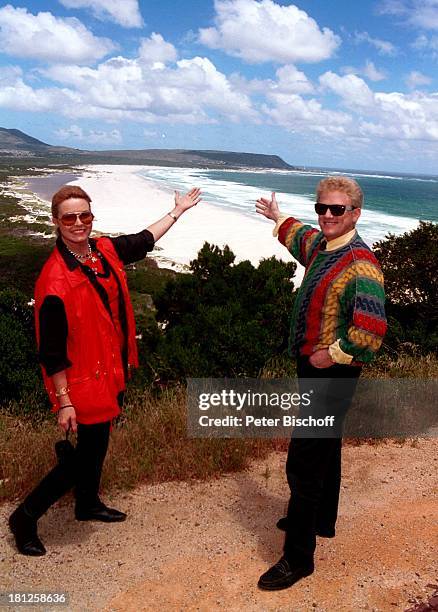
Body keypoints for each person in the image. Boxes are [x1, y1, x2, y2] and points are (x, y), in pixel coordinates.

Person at [9, 183, 201, 556]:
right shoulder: (54, 281)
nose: (79, 223)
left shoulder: (102, 251)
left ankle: (87, 503)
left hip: (108, 368)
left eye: (85, 215)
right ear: (57, 222)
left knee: (97, 446)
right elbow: (51, 352)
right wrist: (64, 402)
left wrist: (177, 212)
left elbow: (142, 240)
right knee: (82, 456)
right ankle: (25, 516)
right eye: (70, 217)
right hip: (81, 379)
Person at [255, 176, 387, 590]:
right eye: (322, 208)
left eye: (337, 210)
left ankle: (298, 557)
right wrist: (279, 218)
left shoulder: (360, 263)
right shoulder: (325, 247)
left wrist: (329, 354)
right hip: (316, 368)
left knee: (305, 458)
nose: (327, 216)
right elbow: (304, 238)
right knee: (325, 445)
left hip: (332, 371)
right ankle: (321, 519)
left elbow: (371, 329)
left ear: (355, 213)